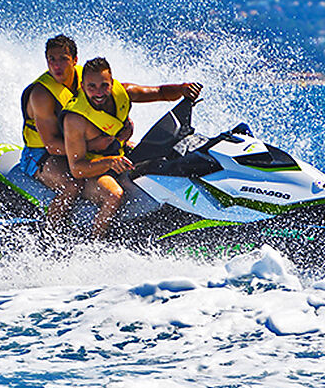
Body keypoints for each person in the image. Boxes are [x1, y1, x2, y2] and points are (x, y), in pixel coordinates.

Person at [62, 57, 202, 238]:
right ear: (82, 86)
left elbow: (160, 92)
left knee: (163, 162)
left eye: (104, 85)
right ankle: (94, 244)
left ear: (111, 83)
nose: (99, 93)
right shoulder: (75, 119)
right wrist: (110, 162)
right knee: (114, 194)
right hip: (92, 170)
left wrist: (182, 89)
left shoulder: (123, 92)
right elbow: (77, 169)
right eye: (92, 87)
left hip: (117, 156)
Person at [19, 34, 86, 229]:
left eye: (63, 59)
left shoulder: (88, 80)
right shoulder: (41, 94)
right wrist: (92, 149)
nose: (56, 65)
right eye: (51, 60)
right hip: (40, 154)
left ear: (74, 60)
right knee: (73, 185)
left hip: (73, 147)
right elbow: (52, 145)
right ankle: (50, 236)